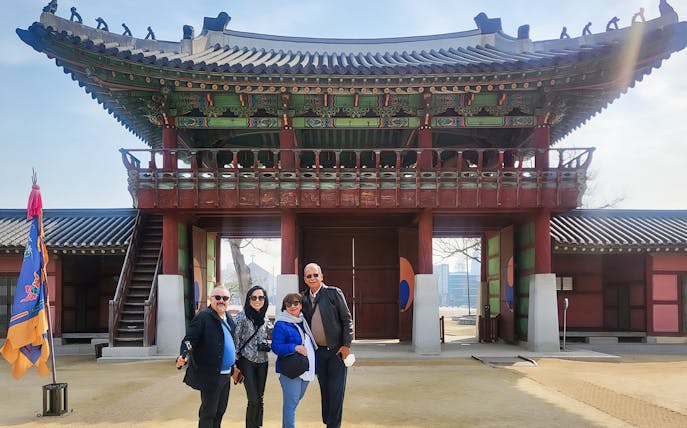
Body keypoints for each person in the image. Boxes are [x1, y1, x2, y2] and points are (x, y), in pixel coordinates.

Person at [176, 286, 242, 428]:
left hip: (226, 375)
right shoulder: (203, 317)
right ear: (211, 299)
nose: (221, 301)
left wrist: (234, 366)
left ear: (229, 301)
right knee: (208, 413)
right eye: (217, 297)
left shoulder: (228, 317)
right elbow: (189, 340)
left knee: (220, 411)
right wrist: (184, 355)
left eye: (225, 298)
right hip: (211, 374)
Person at [300, 263, 353, 428]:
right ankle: (328, 421)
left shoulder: (333, 293)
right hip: (318, 353)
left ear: (321, 276)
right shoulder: (303, 298)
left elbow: (347, 319)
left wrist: (346, 345)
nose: (312, 278)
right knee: (325, 388)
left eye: (315, 275)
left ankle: (333, 425)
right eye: (309, 276)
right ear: (305, 279)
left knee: (336, 390)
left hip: (336, 351)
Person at [272, 293, 317, 428]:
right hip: (290, 370)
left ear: (301, 305)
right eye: (288, 304)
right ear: (284, 307)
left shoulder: (304, 322)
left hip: (306, 369)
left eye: (296, 303)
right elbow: (276, 347)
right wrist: (294, 347)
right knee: (291, 404)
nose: (292, 306)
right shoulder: (281, 324)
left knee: (295, 401)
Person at [234, 286, 273, 428]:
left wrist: (268, 343)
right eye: (254, 297)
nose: (257, 300)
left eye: (261, 297)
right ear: (249, 299)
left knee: (260, 398)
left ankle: (258, 425)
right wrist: (235, 364)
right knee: (253, 399)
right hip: (246, 361)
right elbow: (235, 340)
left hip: (263, 362)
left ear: (265, 300)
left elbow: (269, 336)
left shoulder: (265, 317)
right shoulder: (242, 316)